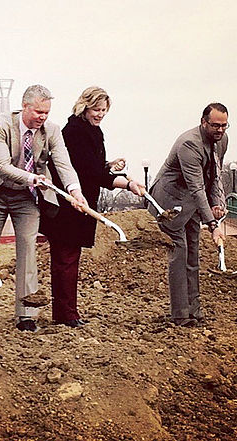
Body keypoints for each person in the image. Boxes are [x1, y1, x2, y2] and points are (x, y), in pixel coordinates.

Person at [0, 84, 87, 332]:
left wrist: (76, 192)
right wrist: (32, 177)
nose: (42, 117)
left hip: (27, 198)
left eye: (46, 112)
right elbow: (2, 165)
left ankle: (26, 314)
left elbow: (64, 163)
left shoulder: (51, 130)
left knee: (28, 251)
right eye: (38, 112)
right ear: (25, 106)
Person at [40, 86, 143, 327]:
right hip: (69, 206)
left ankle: (67, 312)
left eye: (104, 110)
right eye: (96, 109)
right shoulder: (75, 131)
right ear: (84, 106)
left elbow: (91, 167)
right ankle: (66, 314)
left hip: (82, 202)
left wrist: (108, 166)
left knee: (69, 259)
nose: (100, 114)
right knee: (65, 260)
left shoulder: (91, 131)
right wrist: (126, 184)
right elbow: (87, 171)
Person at [148, 103, 228, 326]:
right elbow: (196, 186)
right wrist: (212, 225)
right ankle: (181, 315)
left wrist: (218, 204)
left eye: (224, 125)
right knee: (180, 254)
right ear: (204, 122)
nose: (220, 130)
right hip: (170, 201)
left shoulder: (222, 140)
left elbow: (215, 175)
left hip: (192, 202)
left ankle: (195, 310)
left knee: (193, 254)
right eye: (215, 125)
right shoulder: (189, 143)